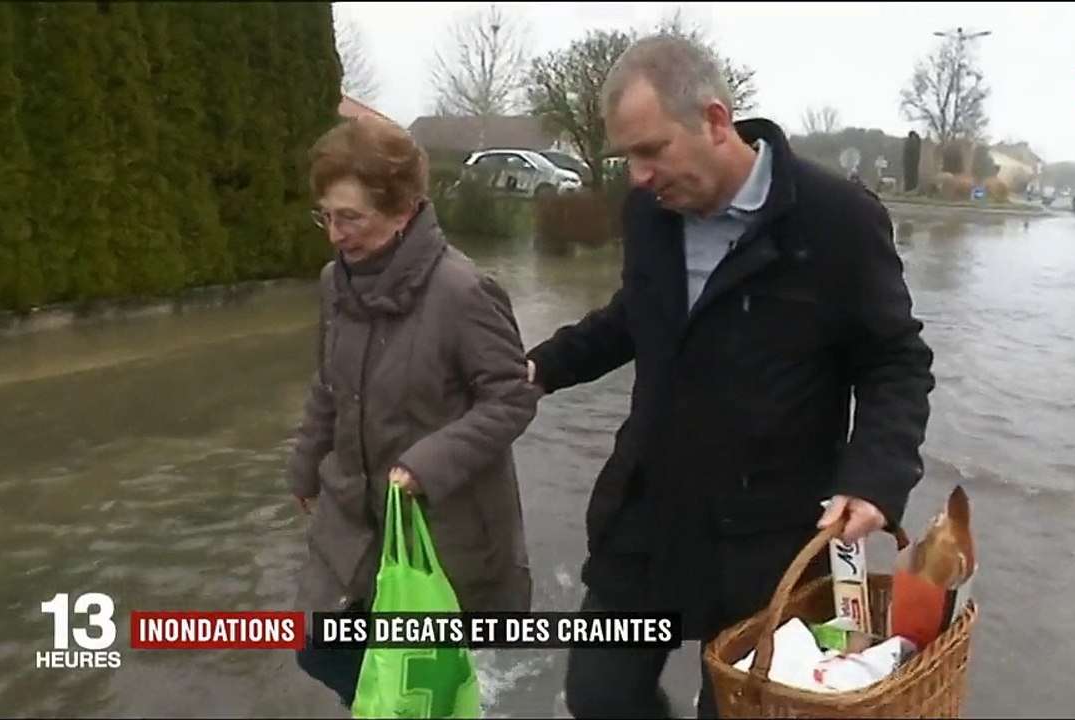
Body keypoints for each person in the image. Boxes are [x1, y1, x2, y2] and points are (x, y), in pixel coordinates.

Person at [523, 35, 935, 719]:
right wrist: (543, 366)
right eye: (628, 156)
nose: (639, 175)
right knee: (598, 698)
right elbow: (638, 316)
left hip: (767, 537)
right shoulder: (650, 217)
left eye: (652, 150)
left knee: (737, 710)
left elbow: (896, 359)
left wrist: (875, 480)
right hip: (649, 511)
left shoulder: (836, 220)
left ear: (715, 121)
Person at [285, 114, 537, 708]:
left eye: (351, 218)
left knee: (408, 684)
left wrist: (427, 462)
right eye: (326, 215)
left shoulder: (463, 292)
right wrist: (304, 461)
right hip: (354, 516)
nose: (335, 235)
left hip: (439, 529)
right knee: (319, 646)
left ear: (402, 210)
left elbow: (512, 396)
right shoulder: (334, 284)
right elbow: (329, 383)